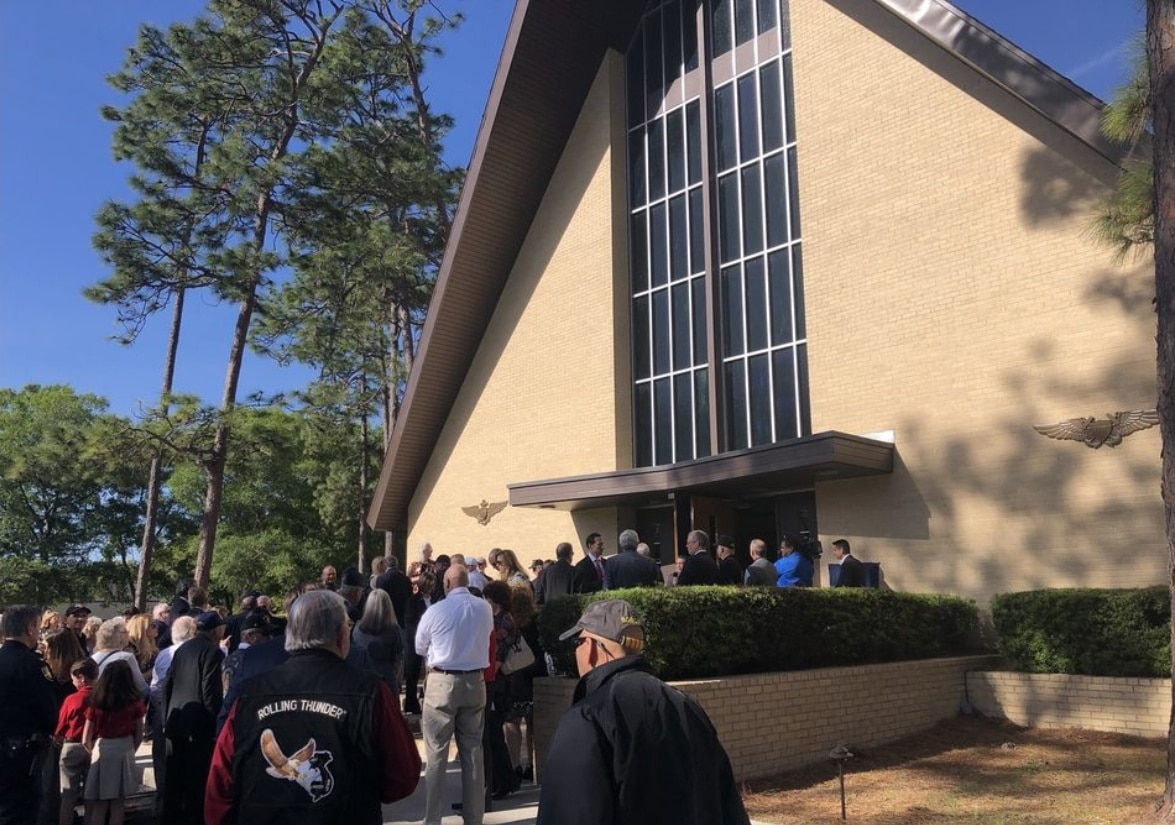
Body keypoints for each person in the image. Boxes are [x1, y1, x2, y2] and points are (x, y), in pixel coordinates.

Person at [205, 590, 420, 822]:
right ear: (340, 636)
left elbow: (219, 787)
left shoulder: (248, 694)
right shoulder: (371, 691)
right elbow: (402, 776)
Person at [536, 600, 749, 825]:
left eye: (577, 641)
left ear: (589, 647)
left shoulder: (587, 716)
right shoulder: (688, 707)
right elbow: (729, 806)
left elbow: (568, 813)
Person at [415, 565, 495, 825]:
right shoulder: (484, 608)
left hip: (442, 680)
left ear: (447, 583)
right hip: (475, 681)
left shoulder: (435, 610)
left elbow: (419, 646)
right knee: (473, 753)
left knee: (436, 754)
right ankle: (474, 818)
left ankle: (433, 819)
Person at [162, 610, 225, 824]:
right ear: (217, 630)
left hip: (175, 721)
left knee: (174, 781)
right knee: (195, 784)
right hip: (198, 726)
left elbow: (167, 686)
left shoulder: (182, 649)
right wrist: (215, 724)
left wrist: (165, 718)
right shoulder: (213, 652)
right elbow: (210, 694)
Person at [0, 605, 59, 825]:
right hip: (20, 753)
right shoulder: (33, 665)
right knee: (20, 811)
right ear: (30, 628)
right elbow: (48, 711)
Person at [82, 660, 144, 825]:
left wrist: (92, 751)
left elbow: (85, 737)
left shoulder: (96, 701)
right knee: (118, 803)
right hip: (124, 747)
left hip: (102, 747)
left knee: (100, 803)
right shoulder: (134, 701)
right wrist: (132, 748)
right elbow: (139, 731)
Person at [149, 615, 196, 820]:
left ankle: (162, 811)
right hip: (188, 716)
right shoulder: (196, 653)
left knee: (163, 768)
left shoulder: (163, 654)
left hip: (164, 715)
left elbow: (155, 688)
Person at [482, 581, 520, 800]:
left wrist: (488, 676)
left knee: (493, 732)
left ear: (494, 599)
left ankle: (504, 780)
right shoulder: (500, 619)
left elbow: (499, 655)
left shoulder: (503, 620)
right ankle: (501, 780)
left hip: (499, 683)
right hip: (498, 681)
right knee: (493, 732)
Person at [504, 586, 542, 784]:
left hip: (516, 675)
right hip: (535, 673)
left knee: (513, 723)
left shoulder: (509, 622)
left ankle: (514, 764)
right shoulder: (537, 621)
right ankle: (532, 765)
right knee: (533, 724)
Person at [55, 658, 97, 825]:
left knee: (68, 796)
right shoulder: (101, 697)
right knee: (91, 794)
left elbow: (61, 726)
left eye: (73, 679)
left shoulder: (72, 699)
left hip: (72, 745)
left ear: (81, 678)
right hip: (94, 746)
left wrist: (57, 739)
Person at [350, 589, 405, 710]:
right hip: (387, 679)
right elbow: (398, 660)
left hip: (362, 680)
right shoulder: (394, 630)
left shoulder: (357, 629)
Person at [401, 569, 435, 716]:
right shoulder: (412, 601)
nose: (431, 588)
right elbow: (409, 623)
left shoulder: (435, 600)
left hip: (432, 642)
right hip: (414, 641)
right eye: (429, 585)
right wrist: (419, 638)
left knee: (431, 673)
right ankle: (411, 703)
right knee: (412, 674)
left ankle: (427, 701)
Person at [90, 618, 149, 698]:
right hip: (121, 703)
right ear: (120, 636)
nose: (129, 634)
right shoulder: (126, 657)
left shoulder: (93, 657)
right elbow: (141, 687)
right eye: (126, 632)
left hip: (99, 702)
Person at [375, 554, 413, 628]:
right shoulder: (406, 579)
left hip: (386, 616)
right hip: (402, 616)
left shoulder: (381, 579)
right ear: (397, 564)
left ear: (386, 565)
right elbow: (410, 596)